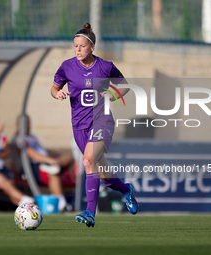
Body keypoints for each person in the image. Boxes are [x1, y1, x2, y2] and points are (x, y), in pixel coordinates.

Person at [50, 23, 138, 227]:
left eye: (82, 46)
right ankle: (127, 190)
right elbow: (54, 88)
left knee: (88, 161)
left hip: (102, 121)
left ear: (92, 47)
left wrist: (112, 94)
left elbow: (125, 86)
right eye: (75, 46)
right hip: (79, 125)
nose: (78, 50)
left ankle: (90, 213)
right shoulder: (67, 66)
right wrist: (58, 93)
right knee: (105, 176)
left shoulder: (105, 66)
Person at [15, 115, 74, 211]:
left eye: (28, 122)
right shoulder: (19, 138)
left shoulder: (32, 137)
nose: (27, 125)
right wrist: (47, 160)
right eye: (24, 123)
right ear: (18, 125)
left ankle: (56, 165)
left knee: (67, 158)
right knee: (53, 171)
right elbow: (30, 153)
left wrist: (56, 157)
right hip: (35, 167)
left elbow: (42, 151)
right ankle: (62, 204)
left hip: (47, 162)